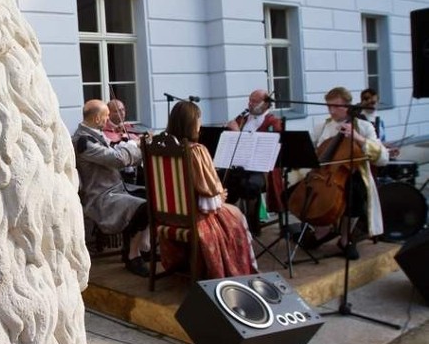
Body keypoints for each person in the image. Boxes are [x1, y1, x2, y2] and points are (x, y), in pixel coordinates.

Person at [162, 100, 258, 279]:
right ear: (192, 122)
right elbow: (209, 204)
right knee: (237, 214)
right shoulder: (196, 151)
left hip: (166, 217)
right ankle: (245, 271)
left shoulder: (161, 150)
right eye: (199, 119)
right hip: (194, 217)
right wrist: (220, 196)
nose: (200, 124)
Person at [296, 87, 389, 260]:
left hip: (353, 175)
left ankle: (346, 238)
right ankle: (321, 230)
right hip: (325, 176)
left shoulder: (364, 127)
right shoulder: (322, 126)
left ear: (348, 106)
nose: (331, 111)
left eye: (336, 106)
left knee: (356, 192)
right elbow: (309, 150)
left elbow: (383, 158)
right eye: (328, 106)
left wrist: (359, 139)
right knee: (297, 191)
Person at [73, 99, 150, 277]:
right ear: (98, 118)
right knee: (143, 208)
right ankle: (132, 255)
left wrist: (132, 146)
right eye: (107, 116)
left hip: (116, 188)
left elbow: (116, 152)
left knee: (152, 197)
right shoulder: (83, 141)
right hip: (101, 196)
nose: (109, 120)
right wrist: (132, 146)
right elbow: (117, 159)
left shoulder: (94, 133)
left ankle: (143, 246)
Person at [224, 89, 285, 235]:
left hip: (262, 169)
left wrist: (237, 133)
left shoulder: (273, 122)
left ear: (266, 104)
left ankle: (253, 225)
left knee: (250, 185)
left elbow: (261, 149)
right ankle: (229, 223)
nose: (250, 104)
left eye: (254, 101)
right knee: (222, 181)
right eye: (249, 100)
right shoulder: (244, 117)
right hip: (239, 166)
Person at [103, 99, 150, 182]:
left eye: (123, 110)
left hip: (137, 169)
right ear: (108, 114)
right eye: (117, 111)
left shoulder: (128, 127)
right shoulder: (104, 131)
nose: (122, 113)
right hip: (119, 174)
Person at [358, 88, 399, 159]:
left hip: (378, 157)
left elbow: (380, 141)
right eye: (369, 102)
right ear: (363, 102)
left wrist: (388, 149)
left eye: (374, 102)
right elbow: (363, 144)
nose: (372, 105)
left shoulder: (380, 120)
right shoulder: (359, 120)